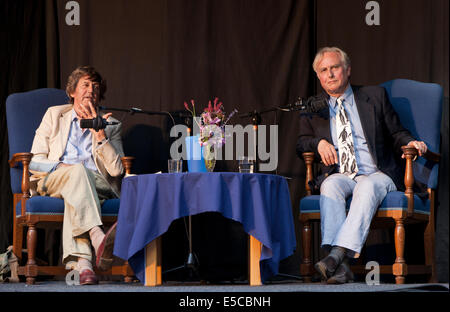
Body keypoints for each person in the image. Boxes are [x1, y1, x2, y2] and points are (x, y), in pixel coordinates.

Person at [296, 47, 427, 284]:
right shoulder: (314, 108)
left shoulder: (374, 96)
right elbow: (301, 143)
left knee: (366, 186)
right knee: (329, 186)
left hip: (377, 172)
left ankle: (335, 255)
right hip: (341, 173)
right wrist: (319, 143)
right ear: (319, 77)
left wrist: (411, 142)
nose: (330, 74)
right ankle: (341, 266)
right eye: (324, 70)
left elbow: (397, 132)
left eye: (334, 67)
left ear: (347, 70)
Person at [29, 66, 124, 285]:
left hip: (97, 185)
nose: (91, 90)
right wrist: (62, 167)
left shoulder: (111, 125)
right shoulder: (55, 115)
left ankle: (83, 264)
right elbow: (34, 160)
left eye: (96, 87)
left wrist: (99, 133)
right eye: (86, 85)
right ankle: (96, 236)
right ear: (72, 92)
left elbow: (117, 171)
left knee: (78, 186)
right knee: (76, 173)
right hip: (54, 180)